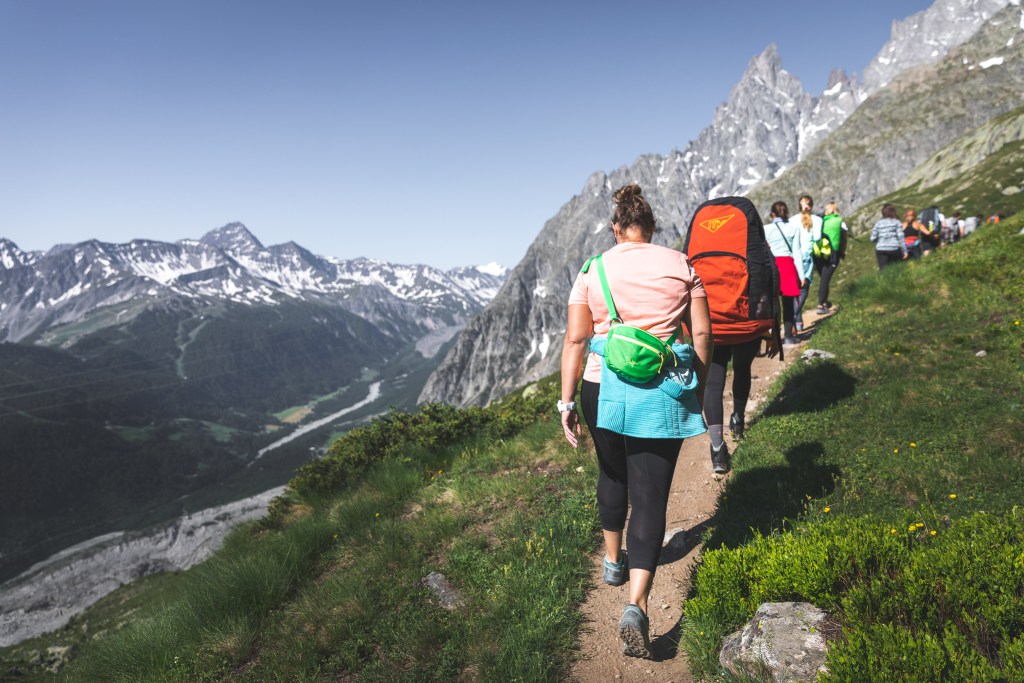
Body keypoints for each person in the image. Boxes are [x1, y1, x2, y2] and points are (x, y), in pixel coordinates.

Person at [560, 183, 713, 659]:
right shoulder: (682, 264)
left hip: (599, 386)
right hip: (658, 393)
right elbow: (703, 331)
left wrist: (566, 403)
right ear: (651, 228)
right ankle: (636, 605)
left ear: (616, 228)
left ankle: (611, 562)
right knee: (649, 496)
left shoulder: (593, 268)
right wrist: (699, 384)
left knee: (611, 472)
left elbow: (575, 339)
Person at [767, 201, 806, 344]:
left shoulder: (766, 229)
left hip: (772, 266)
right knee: (788, 304)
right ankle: (788, 337)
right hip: (788, 266)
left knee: (771, 304)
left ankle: (773, 338)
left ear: (773, 214)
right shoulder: (794, 228)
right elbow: (797, 252)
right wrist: (801, 276)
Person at [792, 195, 821, 333]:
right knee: (804, 288)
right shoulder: (817, 220)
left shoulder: (792, 220)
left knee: (794, 290)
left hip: (793, 256)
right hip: (807, 256)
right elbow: (817, 238)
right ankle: (794, 316)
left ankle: (798, 321)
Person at [815, 201, 848, 314]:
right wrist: (842, 253)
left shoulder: (820, 221)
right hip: (833, 254)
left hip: (819, 253)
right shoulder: (840, 222)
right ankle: (820, 305)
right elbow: (843, 240)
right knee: (825, 279)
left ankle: (825, 302)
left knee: (824, 278)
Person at [870, 203, 908, 269]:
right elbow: (901, 238)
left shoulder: (878, 223)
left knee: (883, 270)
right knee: (897, 268)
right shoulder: (897, 222)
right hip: (894, 248)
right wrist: (905, 251)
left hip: (880, 249)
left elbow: (872, 238)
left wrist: (881, 240)